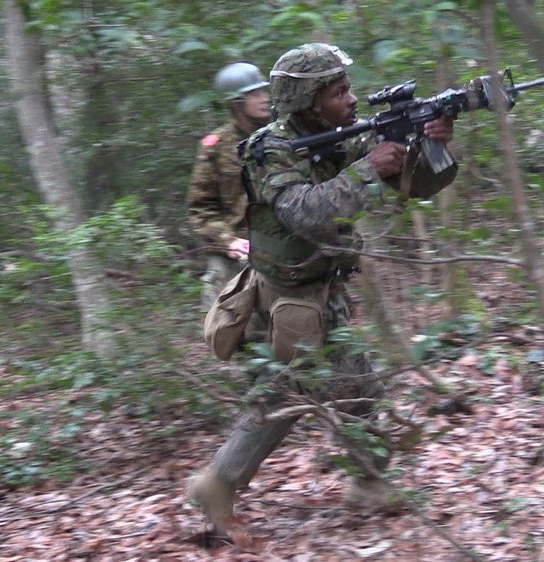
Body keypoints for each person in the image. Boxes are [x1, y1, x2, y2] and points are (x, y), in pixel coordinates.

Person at [187, 43, 457, 536]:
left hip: (319, 291)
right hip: (286, 300)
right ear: (309, 100)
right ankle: (221, 484)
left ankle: (364, 482)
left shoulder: (335, 137)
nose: (351, 100)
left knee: (338, 392)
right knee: (295, 396)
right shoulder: (269, 148)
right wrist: (370, 167)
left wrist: (428, 146)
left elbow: (416, 187)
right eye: (338, 92)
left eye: (348, 89)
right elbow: (304, 211)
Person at [187, 62, 271, 309]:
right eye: (255, 94)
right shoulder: (215, 147)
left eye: (264, 92)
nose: (265, 99)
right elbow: (201, 208)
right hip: (237, 251)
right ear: (236, 103)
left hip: (286, 248)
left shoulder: (285, 135)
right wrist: (228, 241)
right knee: (226, 328)